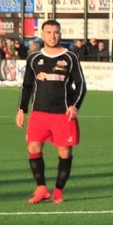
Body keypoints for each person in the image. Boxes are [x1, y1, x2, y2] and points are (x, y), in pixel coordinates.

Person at [16, 19, 86, 204]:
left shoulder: (70, 57)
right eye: (49, 32)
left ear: (60, 34)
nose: (53, 36)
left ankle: (58, 190)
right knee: (33, 147)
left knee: (64, 152)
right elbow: (27, 86)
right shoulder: (33, 58)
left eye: (56, 32)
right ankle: (41, 189)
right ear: (42, 34)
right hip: (39, 114)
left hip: (63, 114)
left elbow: (81, 85)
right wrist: (21, 109)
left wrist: (75, 106)